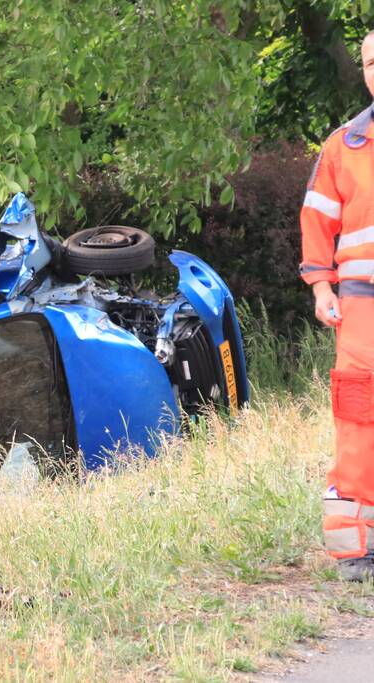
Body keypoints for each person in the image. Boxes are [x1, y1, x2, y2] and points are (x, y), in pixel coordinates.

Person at [300, 31, 374, 581]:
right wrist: (322, 290)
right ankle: (356, 547)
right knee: (360, 416)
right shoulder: (343, 146)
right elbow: (317, 222)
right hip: (362, 307)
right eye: (372, 62)